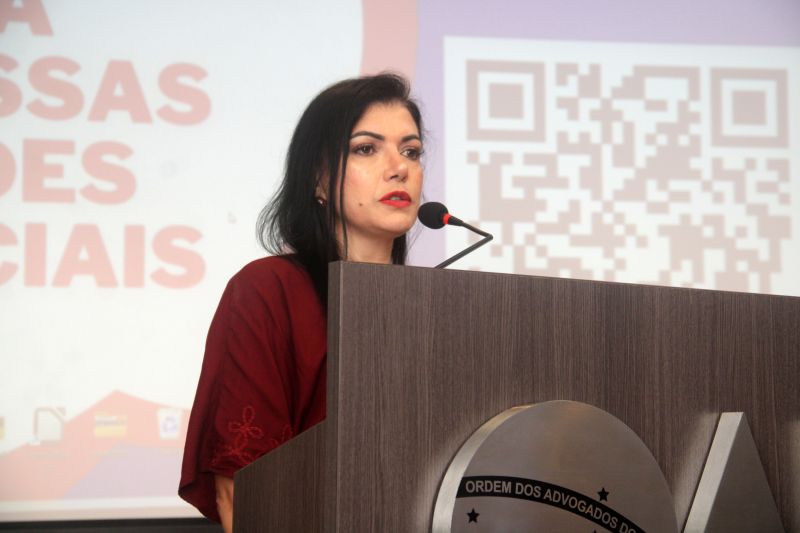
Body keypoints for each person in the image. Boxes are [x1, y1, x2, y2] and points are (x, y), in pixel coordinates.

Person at [178, 73, 425, 532]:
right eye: (366, 149)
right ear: (318, 178)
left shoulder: (436, 308)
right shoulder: (269, 291)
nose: (399, 168)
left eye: (411, 151)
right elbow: (242, 489)